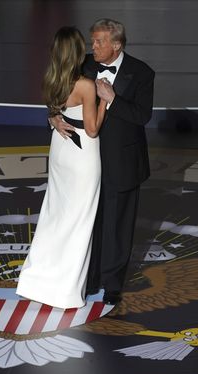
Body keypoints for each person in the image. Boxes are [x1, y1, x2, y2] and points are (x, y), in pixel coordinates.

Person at [52, 18, 155, 306]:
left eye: (98, 42)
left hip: (122, 162)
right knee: (87, 221)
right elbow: (58, 91)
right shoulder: (82, 64)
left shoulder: (142, 73)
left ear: (116, 45)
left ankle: (112, 285)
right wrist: (51, 116)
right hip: (85, 160)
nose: (92, 46)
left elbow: (142, 116)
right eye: (92, 40)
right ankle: (89, 277)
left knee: (117, 225)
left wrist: (113, 99)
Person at [16, 26, 107, 309]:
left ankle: (36, 283)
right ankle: (65, 292)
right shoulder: (86, 85)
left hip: (60, 150)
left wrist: (54, 117)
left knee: (54, 216)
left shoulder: (52, 78)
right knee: (79, 222)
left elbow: (54, 112)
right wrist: (106, 100)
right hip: (82, 157)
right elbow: (92, 130)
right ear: (78, 52)